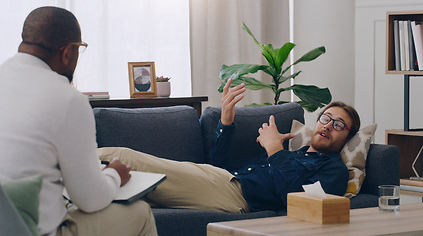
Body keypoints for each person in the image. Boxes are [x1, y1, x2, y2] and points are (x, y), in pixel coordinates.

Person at [0, 6, 157, 236]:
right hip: (34, 230)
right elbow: (91, 199)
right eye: (80, 50)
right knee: (140, 212)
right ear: (67, 52)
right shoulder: (67, 99)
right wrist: (115, 173)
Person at [98, 78, 360, 213]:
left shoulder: (333, 171)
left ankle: (60, 168)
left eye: (338, 125)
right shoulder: (293, 153)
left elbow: (294, 200)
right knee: (128, 186)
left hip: (235, 197)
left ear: (347, 138)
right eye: (326, 118)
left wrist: (274, 151)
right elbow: (219, 166)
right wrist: (226, 121)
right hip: (219, 178)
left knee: (124, 158)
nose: (327, 126)